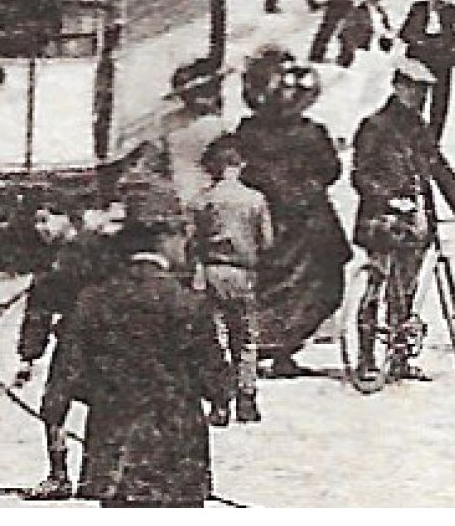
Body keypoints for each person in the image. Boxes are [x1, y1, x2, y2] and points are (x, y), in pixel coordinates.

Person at [67, 207, 232, 507]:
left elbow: (70, 364)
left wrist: (70, 404)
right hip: (175, 431)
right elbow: (210, 362)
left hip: (114, 430)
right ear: (163, 245)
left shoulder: (95, 297)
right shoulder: (187, 302)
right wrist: (221, 399)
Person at [214, 48, 352, 377]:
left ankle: (262, 343)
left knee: (268, 281)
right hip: (309, 225)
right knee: (317, 283)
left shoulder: (248, 132)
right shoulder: (311, 133)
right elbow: (331, 170)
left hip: (267, 218)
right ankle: (284, 350)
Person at [349, 58, 455, 382]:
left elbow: (440, 170)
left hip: (416, 225)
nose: (419, 97)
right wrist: (387, 199)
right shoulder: (374, 126)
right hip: (381, 221)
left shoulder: (419, 129)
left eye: (424, 91)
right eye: (414, 90)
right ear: (397, 87)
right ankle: (366, 358)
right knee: (376, 285)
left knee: (405, 290)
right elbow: (360, 175)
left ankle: (398, 359)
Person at [13, 204, 117, 500]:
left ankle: (70, 476)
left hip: (89, 341)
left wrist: (30, 356)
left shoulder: (75, 255)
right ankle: (81, 475)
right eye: (37, 221)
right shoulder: (89, 250)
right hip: (87, 340)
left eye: (46, 220)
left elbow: (40, 309)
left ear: (66, 217)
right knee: (72, 405)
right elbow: (39, 310)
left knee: (61, 405)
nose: (40, 228)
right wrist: (29, 355)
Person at [190, 142, 273, 423]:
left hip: (210, 272)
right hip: (243, 273)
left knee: (216, 338)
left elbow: (191, 242)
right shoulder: (255, 200)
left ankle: (220, 403)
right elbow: (267, 241)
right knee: (246, 338)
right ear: (237, 168)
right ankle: (247, 399)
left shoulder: (201, 201)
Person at [399, 0, 455, 144]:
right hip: (422, 59)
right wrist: (420, 41)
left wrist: (444, 9)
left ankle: (434, 138)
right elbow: (405, 33)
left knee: (440, 102)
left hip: (443, 59)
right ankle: (415, 135)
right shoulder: (418, 8)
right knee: (417, 100)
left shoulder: (450, 9)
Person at [338, 0, 396, 69]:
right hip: (361, 55)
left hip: (377, 53)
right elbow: (346, 34)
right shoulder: (356, 11)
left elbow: (386, 29)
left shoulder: (379, 10)